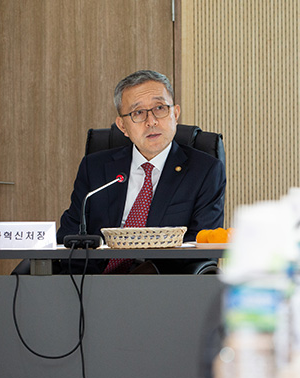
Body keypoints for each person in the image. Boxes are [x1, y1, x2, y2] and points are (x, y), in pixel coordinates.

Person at [57, 70, 226, 273]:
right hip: (91, 283)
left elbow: (200, 248)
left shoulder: (204, 171)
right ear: (122, 126)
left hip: (162, 286)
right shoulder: (95, 168)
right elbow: (68, 236)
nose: (151, 121)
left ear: (176, 114)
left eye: (160, 108)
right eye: (138, 113)